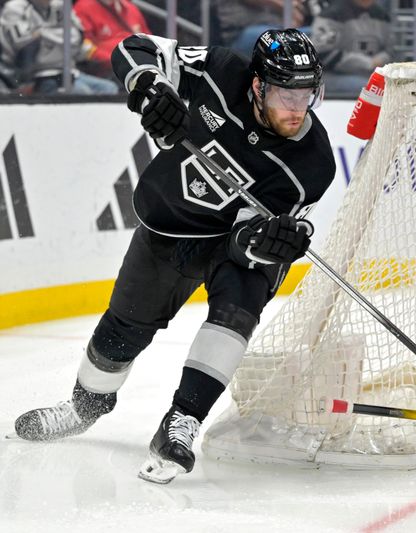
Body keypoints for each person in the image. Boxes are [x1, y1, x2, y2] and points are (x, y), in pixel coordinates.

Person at [13, 28, 336, 484]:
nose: (297, 107)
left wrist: (262, 243)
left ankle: (182, 421)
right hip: (170, 226)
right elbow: (134, 47)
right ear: (258, 84)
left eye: (307, 94)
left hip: (236, 246)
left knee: (237, 310)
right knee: (121, 330)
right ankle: (85, 407)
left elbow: (268, 232)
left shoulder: (314, 162)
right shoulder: (221, 70)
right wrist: (151, 88)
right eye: (286, 92)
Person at [0, 0, 118, 94]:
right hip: (34, 76)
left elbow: (77, 37)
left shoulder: (60, 5)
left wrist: (41, 33)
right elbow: (24, 44)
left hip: (68, 71)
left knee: (109, 88)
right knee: (82, 92)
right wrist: (60, 36)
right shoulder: (15, 7)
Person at [311, 0, 392, 96]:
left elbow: (391, 49)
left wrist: (383, 58)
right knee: (372, 88)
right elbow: (323, 54)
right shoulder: (331, 14)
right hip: (333, 75)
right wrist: (368, 63)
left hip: (372, 74)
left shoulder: (382, 15)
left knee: (390, 86)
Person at [73, 0, 150, 80]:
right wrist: (116, 61)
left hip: (140, 68)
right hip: (108, 72)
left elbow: (149, 40)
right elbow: (84, 45)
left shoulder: (130, 7)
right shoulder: (83, 7)